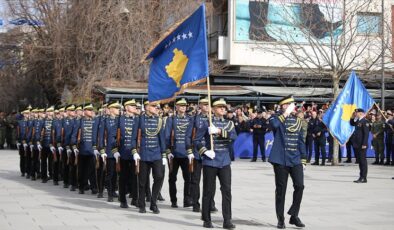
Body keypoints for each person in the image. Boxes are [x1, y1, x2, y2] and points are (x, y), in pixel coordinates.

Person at [194, 97, 237, 229]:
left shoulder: (229, 124)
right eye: (219, 107)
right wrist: (205, 151)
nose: (223, 109)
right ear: (213, 109)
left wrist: (219, 131)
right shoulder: (207, 123)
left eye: (224, 107)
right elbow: (197, 141)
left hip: (224, 161)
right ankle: (206, 219)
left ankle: (227, 220)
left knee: (227, 191)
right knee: (208, 191)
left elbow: (233, 136)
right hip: (210, 161)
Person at [269, 95, 306, 229]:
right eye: (289, 104)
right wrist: (285, 113)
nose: (292, 106)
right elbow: (274, 125)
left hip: (295, 159)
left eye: (292, 104)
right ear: (283, 106)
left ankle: (294, 215)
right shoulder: (276, 117)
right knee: (281, 190)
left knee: (300, 186)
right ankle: (280, 218)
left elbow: (301, 140)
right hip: (280, 160)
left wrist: (303, 159)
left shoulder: (297, 120)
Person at [133, 101, 166, 214]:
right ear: (147, 107)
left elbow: (162, 138)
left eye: (157, 106)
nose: (156, 108)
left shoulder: (159, 120)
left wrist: (164, 154)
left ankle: (153, 202)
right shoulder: (139, 119)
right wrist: (134, 151)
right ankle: (141, 204)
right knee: (142, 181)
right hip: (144, 153)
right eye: (153, 106)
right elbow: (134, 136)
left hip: (156, 153)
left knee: (159, 176)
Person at [165, 98, 194, 208]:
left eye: (184, 105)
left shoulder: (190, 119)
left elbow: (192, 136)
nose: (183, 107)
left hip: (187, 153)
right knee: (172, 178)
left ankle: (187, 200)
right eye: (180, 105)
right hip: (174, 153)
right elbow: (167, 136)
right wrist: (168, 151)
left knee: (188, 178)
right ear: (176, 107)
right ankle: (173, 200)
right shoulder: (171, 120)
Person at [71, 103, 99, 194]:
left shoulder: (95, 121)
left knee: (92, 169)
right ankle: (81, 186)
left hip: (92, 149)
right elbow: (74, 135)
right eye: (89, 110)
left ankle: (94, 187)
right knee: (82, 170)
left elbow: (97, 135)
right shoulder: (80, 121)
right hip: (82, 149)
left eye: (92, 110)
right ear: (85, 111)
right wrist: (74, 146)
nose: (91, 112)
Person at [118, 99, 139, 208]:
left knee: (135, 176)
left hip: (135, 152)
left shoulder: (138, 120)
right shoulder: (120, 120)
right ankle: (122, 199)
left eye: (135, 105)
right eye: (132, 105)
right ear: (126, 107)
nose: (135, 107)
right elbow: (113, 136)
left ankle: (135, 198)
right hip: (124, 152)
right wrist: (115, 150)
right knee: (123, 177)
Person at [350, 108, 369, 183]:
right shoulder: (358, 120)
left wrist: (364, 144)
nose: (355, 114)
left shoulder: (365, 121)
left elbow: (366, 134)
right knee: (360, 161)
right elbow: (352, 123)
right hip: (357, 144)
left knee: (362, 161)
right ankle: (361, 176)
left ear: (361, 113)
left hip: (362, 144)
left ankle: (363, 177)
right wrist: (352, 117)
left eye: (356, 113)